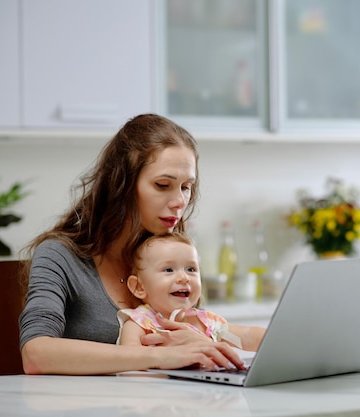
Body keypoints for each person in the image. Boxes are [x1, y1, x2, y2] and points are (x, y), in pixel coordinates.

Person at [19, 113, 245, 375]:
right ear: (122, 185)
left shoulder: (167, 255)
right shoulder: (59, 256)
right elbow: (35, 354)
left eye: (186, 187)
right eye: (163, 185)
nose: (180, 201)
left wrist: (199, 343)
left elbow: (211, 333)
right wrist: (157, 356)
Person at [118, 233, 265, 352]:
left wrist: (281, 338)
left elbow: (246, 337)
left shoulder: (207, 323)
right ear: (139, 287)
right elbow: (128, 358)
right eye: (168, 270)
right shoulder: (139, 323)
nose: (184, 278)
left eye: (191, 269)